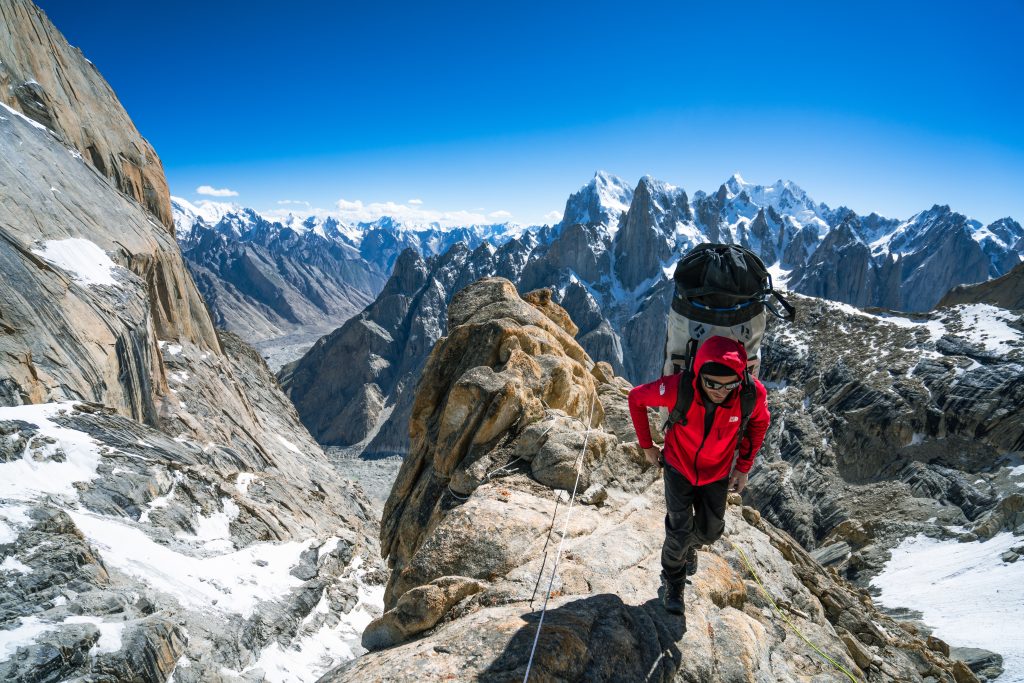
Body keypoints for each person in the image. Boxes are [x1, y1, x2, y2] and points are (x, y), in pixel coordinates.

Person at [627, 335, 770, 616]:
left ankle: (687, 547)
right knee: (679, 531)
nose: (720, 391)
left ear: (740, 379)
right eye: (712, 383)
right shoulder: (678, 387)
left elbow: (759, 423)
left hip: (716, 472)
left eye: (729, 385)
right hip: (678, 468)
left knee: (711, 531)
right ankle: (673, 581)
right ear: (698, 374)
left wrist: (743, 467)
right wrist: (646, 446)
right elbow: (636, 398)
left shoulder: (750, 395)